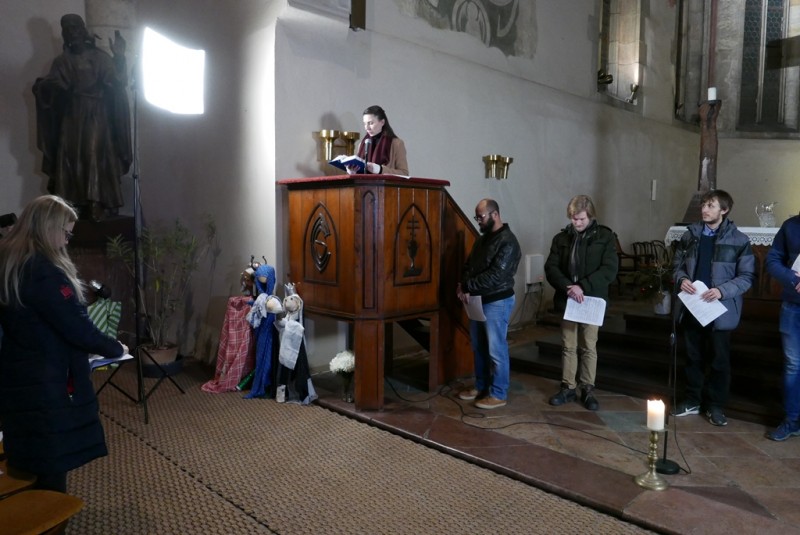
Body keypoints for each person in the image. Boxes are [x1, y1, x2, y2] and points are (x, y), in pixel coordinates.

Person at [0, 195, 128, 493]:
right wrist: (115, 348)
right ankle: (50, 514)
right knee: (51, 457)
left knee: (30, 454)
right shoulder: (42, 270)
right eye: (66, 233)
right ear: (48, 227)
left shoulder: (11, 261)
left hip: (19, 369)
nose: (66, 242)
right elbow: (76, 327)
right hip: (47, 378)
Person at [33, 14, 132, 222]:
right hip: (71, 115)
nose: (72, 33)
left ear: (83, 30)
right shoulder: (62, 61)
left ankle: (97, 202)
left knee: (92, 153)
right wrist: (43, 87)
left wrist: (119, 58)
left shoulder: (100, 57)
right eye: (67, 29)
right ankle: (71, 205)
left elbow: (117, 83)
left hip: (96, 113)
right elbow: (51, 88)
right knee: (68, 156)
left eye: (75, 28)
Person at [672, 190, 755, 426]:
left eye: (711, 206)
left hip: (720, 309)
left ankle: (716, 406)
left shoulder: (739, 240)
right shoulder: (690, 236)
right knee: (693, 357)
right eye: (704, 205)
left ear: (724, 210)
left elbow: (747, 276)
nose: (704, 209)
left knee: (719, 360)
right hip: (693, 306)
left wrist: (721, 291)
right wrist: (681, 279)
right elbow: (676, 265)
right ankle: (692, 400)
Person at [544, 195, 618, 411]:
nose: (577, 223)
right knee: (568, 345)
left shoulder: (605, 237)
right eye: (573, 219)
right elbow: (551, 267)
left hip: (591, 298)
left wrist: (582, 286)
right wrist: (568, 287)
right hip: (568, 298)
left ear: (591, 216)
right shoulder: (561, 238)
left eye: (581, 219)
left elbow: (609, 269)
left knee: (588, 345)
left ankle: (587, 388)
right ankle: (568, 387)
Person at [456, 199, 521, 409]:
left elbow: (496, 276)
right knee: (479, 347)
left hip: (497, 301)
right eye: (476, 217)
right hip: (477, 300)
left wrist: (468, 286)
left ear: (495, 214)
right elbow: (469, 265)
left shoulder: (508, 242)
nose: (478, 221)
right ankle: (481, 386)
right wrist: (463, 284)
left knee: (496, 349)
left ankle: (499, 393)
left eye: (481, 217)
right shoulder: (482, 240)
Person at [765, 211, 800, 440]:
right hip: (793, 305)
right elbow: (772, 260)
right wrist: (794, 279)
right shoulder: (791, 226)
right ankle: (791, 420)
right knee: (793, 365)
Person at [346, 105, 409, 176]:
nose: (367, 128)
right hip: (363, 183)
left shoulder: (397, 143)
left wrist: (379, 169)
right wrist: (352, 172)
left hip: (384, 183)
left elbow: (404, 173)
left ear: (382, 122)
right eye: (365, 124)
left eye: (370, 123)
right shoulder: (362, 144)